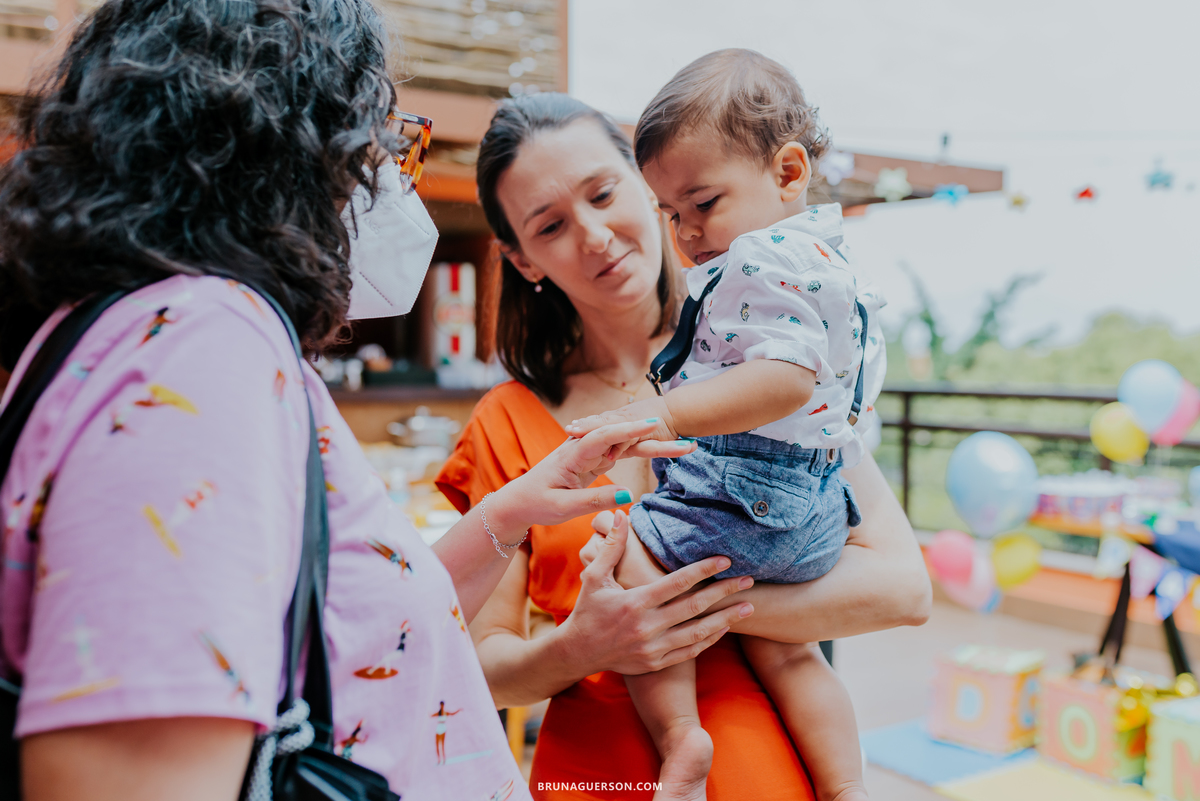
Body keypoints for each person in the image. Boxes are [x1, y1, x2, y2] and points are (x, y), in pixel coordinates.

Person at [0, 2, 728, 799]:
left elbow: (354, 628)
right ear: (287, 147)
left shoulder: (163, 332)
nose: (390, 177)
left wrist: (509, 513)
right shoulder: (200, 347)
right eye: (381, 139)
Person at [436, 92, 932, 800]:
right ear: (523, 260)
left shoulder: (759, 366)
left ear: (648, 186)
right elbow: (483, 666)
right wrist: (584, 645)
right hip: (599, 777)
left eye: (605, 193)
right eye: (550, 226)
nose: (596, 235)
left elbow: (903, 589)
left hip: (782, 772)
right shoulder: (506, 422)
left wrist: (665, 610)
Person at [565, 49, 881, 801]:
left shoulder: (762, 256)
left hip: (752, 488)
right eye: (672, 212)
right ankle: (846, 786)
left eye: (703, 202)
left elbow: (783, 380)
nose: (687, 231)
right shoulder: (822, 260)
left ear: (789, 171)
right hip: (811, 509)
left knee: (629, 547)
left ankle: (680, 737)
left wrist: (661, 411)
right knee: (795, 655)